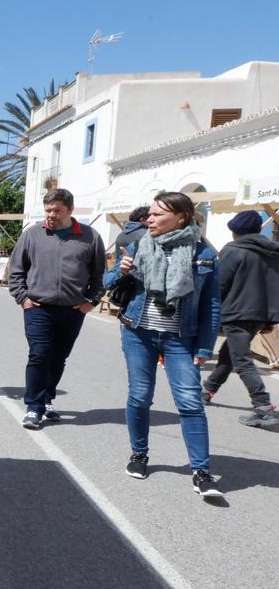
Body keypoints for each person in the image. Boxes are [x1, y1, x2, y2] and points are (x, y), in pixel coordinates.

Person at [105, 191, 223, 497]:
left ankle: (201, 471)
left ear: (180, 217)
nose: (149, 219)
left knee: (190, 403)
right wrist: (121, 270)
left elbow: (211, 305)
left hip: (180, 339)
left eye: (158, 214)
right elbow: (106, 283)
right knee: (140, 396)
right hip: (139, 332)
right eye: (150, 214)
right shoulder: (137, 245)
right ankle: (139, 454)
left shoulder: (204, 254)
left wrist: (205, 347)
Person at [8, 188, 106, 428]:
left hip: (73, 311)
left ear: (70, 210)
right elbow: (16, 270)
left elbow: (99, 274)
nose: (51, 215)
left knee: (58, 358)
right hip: (38, 308)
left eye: (57, 210)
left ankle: (47, 398)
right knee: (39, 355)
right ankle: (34, 406)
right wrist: (23, 299)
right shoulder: (32, 235)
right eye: (48, 210)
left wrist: (91, 302)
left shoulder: (90, 236)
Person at [202, 210, 279, 427]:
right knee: (229, 355)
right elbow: (274, 288)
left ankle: (263, 407)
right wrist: (269, 319)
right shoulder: (271, 252)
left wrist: (209, 313)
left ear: (235, 231)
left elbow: (219, 285)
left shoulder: (233, 250)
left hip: (237, 313)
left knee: (242, 360)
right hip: (259, 314)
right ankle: (207, 391)